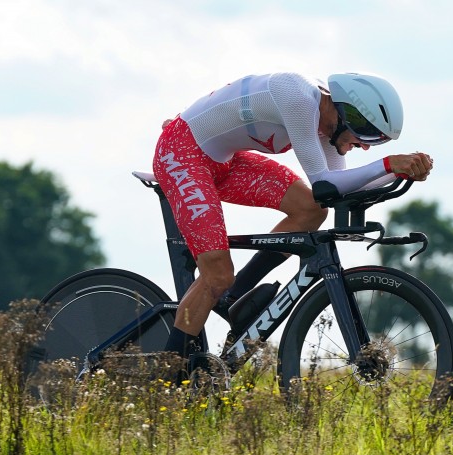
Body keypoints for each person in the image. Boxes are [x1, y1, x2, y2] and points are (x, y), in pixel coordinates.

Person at [152, 72, 434, 365]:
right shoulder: (299, 99)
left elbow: (336, 188)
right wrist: (389, 164)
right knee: (217, 275)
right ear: (347, 115)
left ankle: (233, 296)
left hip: (225, 162)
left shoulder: (327, 127)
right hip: (182, 154)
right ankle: (166, 374)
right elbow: (325, 182)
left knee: (312, 209)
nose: (365, 147)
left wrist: (400, 171)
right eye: (367, 135)